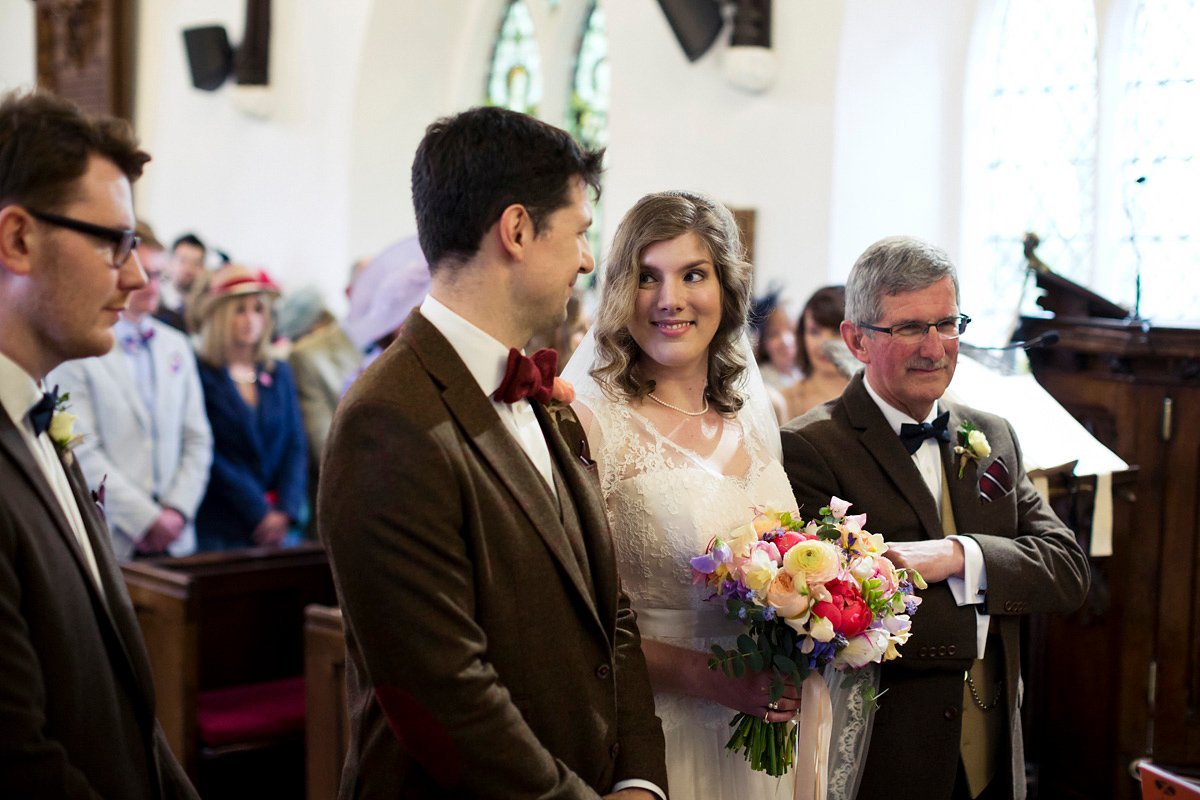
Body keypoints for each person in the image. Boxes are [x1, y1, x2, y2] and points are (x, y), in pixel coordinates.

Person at [318, 106, 668, 799]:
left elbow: (611, 614)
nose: (588, 260)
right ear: (515, 230)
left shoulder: (546, 398)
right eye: (578, 232)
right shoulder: (388, 419)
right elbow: (442, 690)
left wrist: (639, 780)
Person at [781, 236, 1090, 800]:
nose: (935, 347)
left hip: (995, 752)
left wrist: (960, 554)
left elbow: (1068, 571)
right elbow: (830, 620)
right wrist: (1004, 575)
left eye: (947, 323)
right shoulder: (811, 448)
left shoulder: (992, 435)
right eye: (908, 328)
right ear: (856, 340)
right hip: (889, 759)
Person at [561, 190, 801, 800]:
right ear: (620, 291)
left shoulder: (754, 413)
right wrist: (715, 679)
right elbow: (574, 625)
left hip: (761, 736)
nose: (670, 300)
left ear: (725, 287)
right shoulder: (592, 423)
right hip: (655, 736)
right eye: (647, 277)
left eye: (693, 274)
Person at [0, 88, 198, 798]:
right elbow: (18, 758)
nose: (139, 274)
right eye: (113, 241)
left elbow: (128, 719)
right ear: (18, 239)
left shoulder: (41, 418)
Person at [47, 220, 213, 561]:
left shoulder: (177, 345)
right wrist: (145, 519)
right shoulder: (80, 347)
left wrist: (177, 510)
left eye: (158, 276)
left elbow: (197, 438)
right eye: (144, 274)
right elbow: (78, 446)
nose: (151, 286)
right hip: (114, 537)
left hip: (177, 539)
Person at [193, 263, 307, 550]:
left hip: (280, 524)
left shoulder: (278, 371)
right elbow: (210, 451)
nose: (251, 319)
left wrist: (285, 510)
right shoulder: (201, 372)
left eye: (258, 309)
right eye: (239, 310)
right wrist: (258, 510)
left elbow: (295, 444)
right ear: (220, 315)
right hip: (223, 522)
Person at [771, 285, 850, 424]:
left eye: (836, 332)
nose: (823, 343)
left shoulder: (877, 398)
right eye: (814, 332)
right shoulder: (782, 401)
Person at [155, 232, 205, 332]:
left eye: (197, 263)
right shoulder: (155, 300)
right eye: (182, 260)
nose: (189, 268)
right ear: (169, 262)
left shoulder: (206, 305)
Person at [752, 292, 801, 390]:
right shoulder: (759, 381)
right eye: (774, 334)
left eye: (791, 329)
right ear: (763, 343)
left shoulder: (805, 373)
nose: (785, 341)